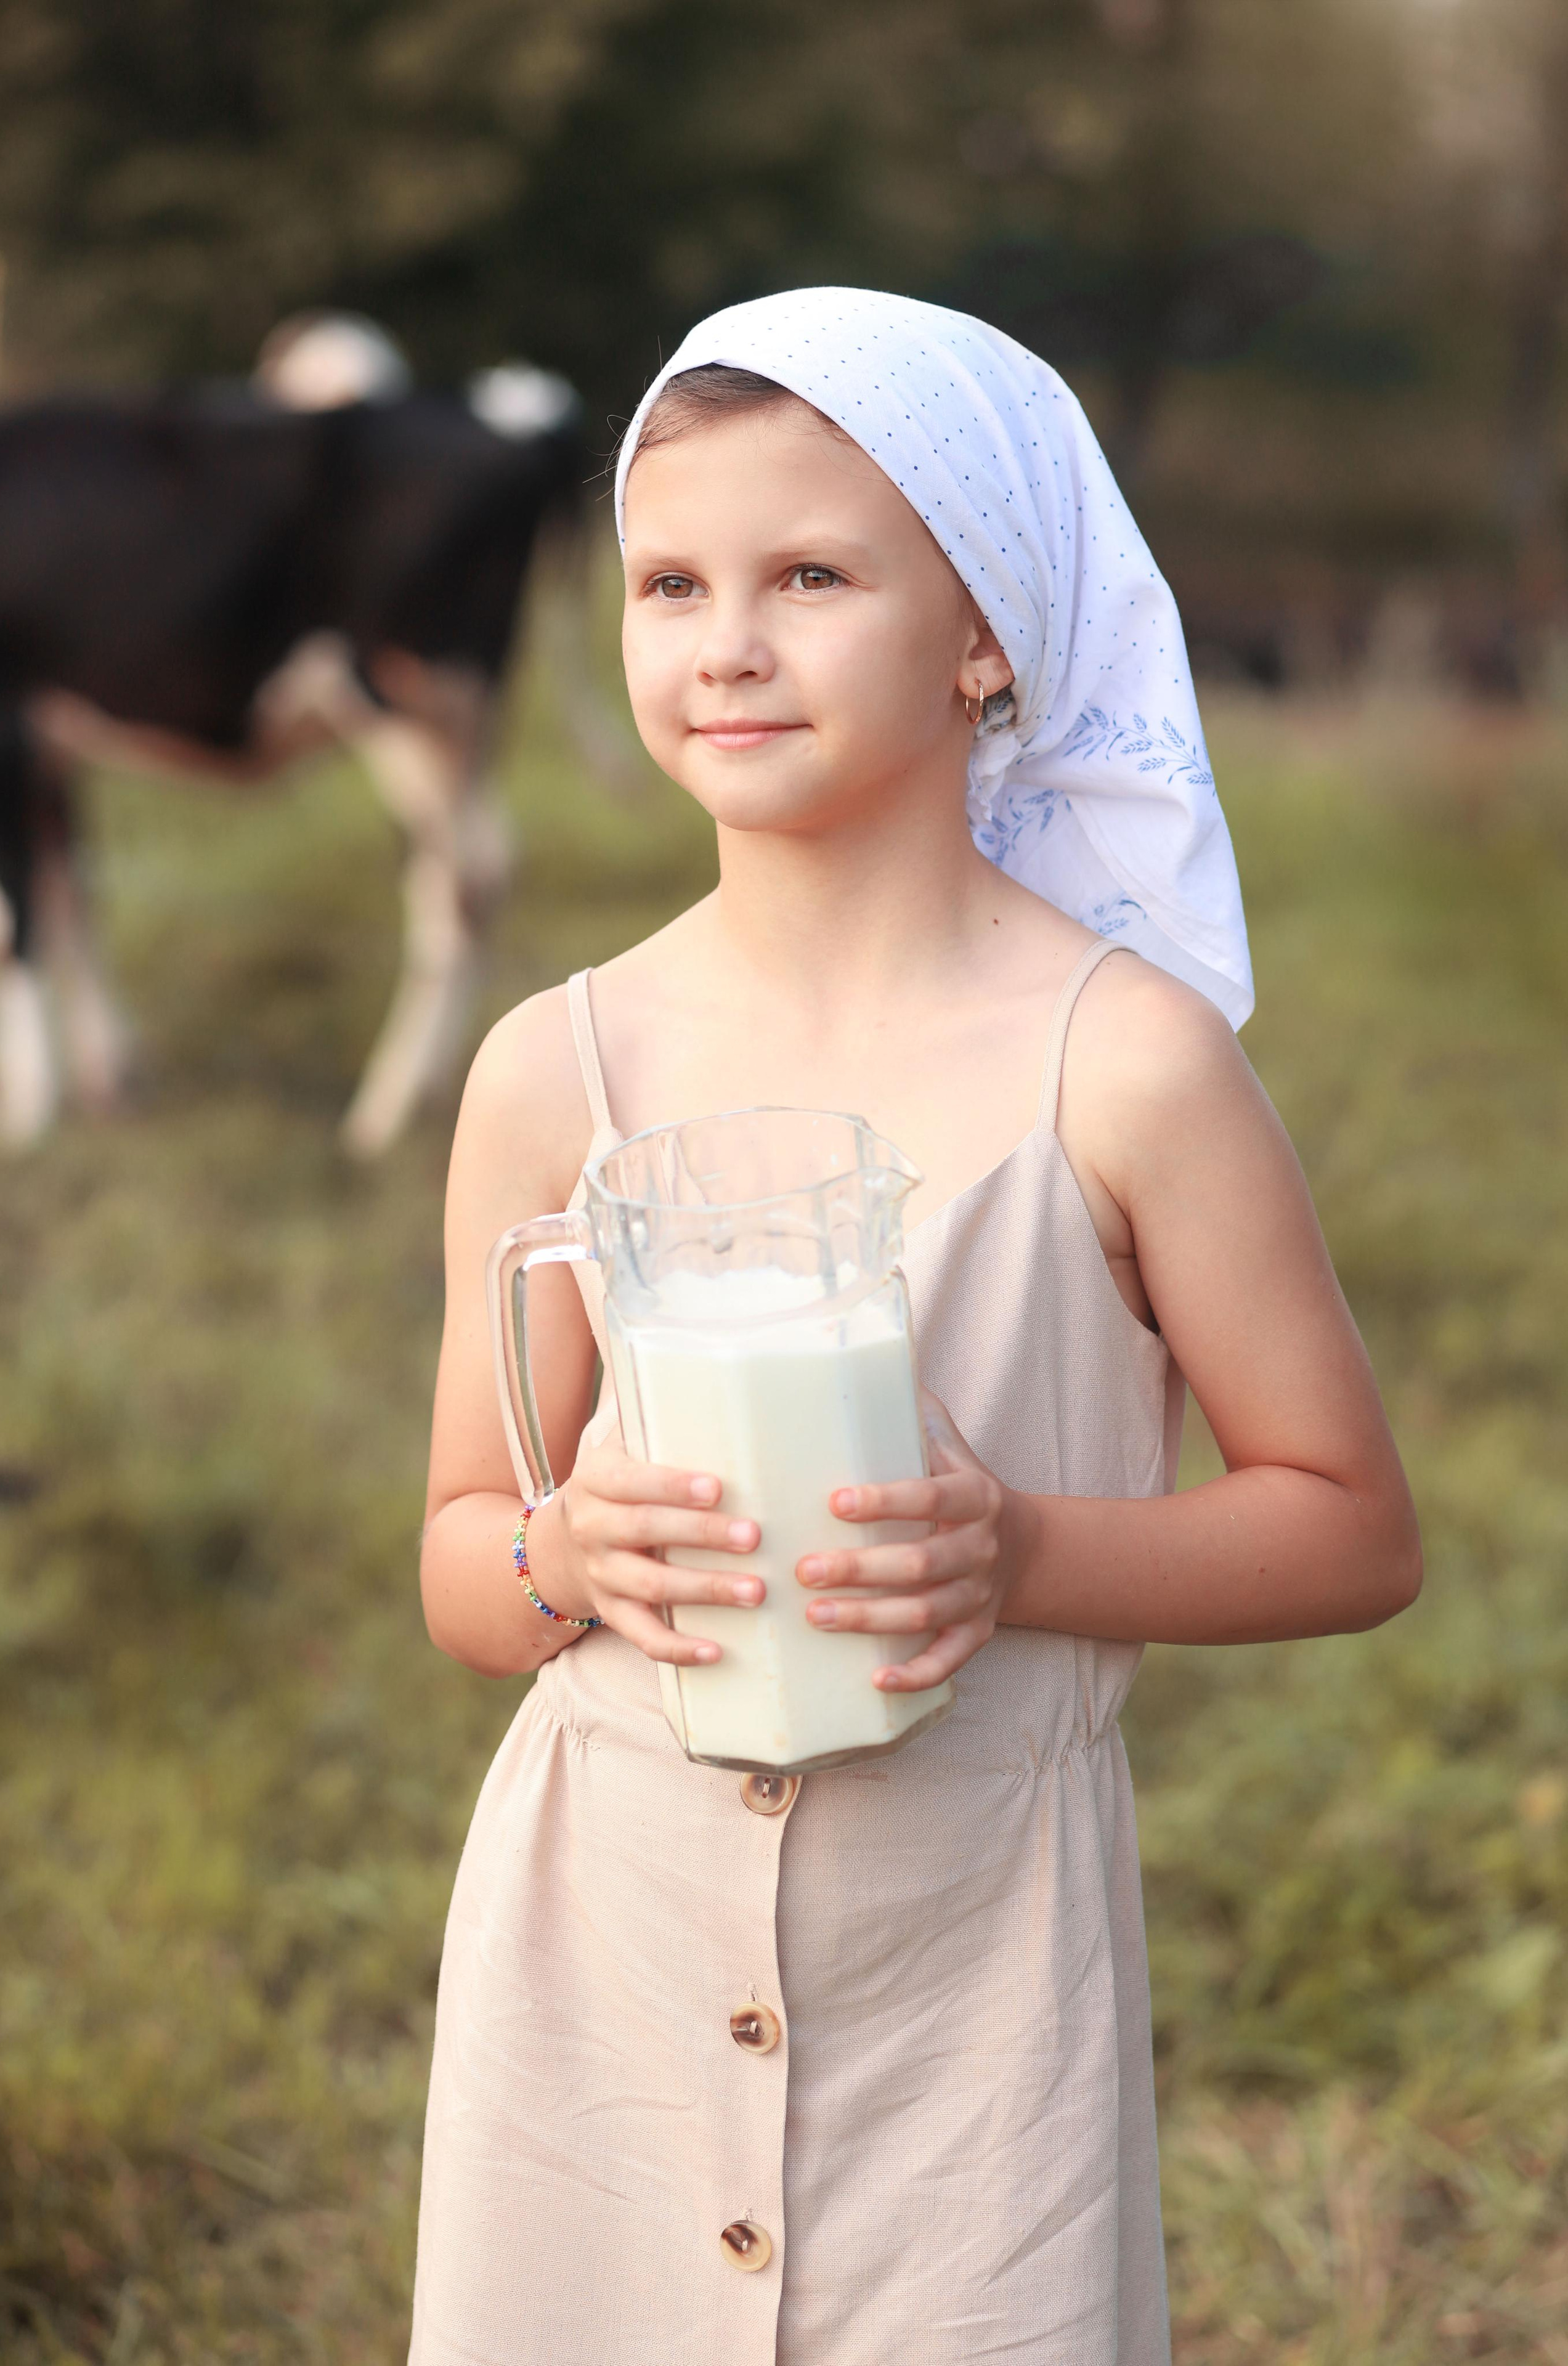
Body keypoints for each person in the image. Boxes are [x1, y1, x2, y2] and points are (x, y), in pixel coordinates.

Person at [408, 287, 1421, 2366]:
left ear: (987, 638)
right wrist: (562, 1552)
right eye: (670, 583)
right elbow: (460, 1563)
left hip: (976, 2022)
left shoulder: (1127, 1068)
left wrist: (1023, 1550)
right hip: (598, 1982)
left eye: (811, 576)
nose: (726, 644)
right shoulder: (554, 1067)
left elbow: (1351, 1526)